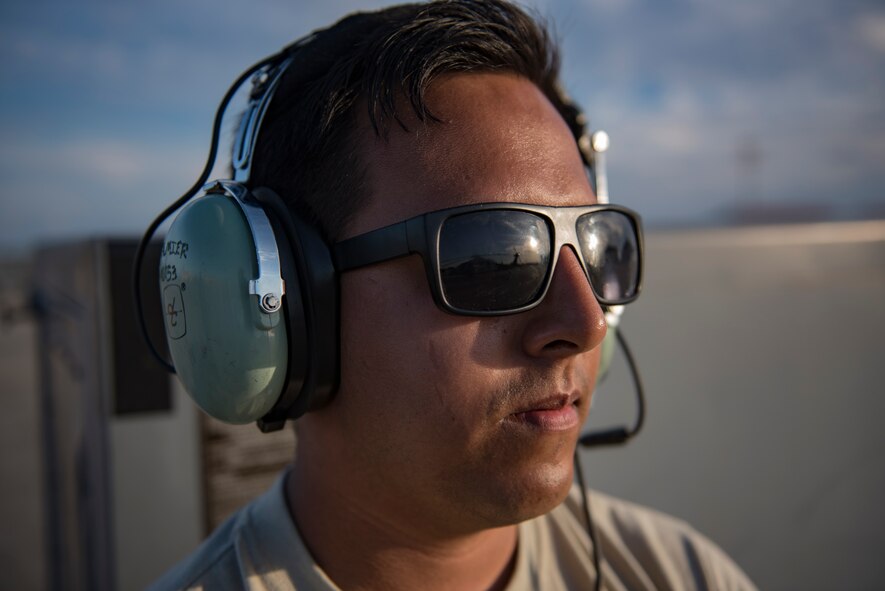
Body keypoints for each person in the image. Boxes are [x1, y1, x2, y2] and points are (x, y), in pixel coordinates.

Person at [150, 1, 756, 589]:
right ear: (294, 303)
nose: (587, 321)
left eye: (599, 247)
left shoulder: (686, 573)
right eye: (494, 259)